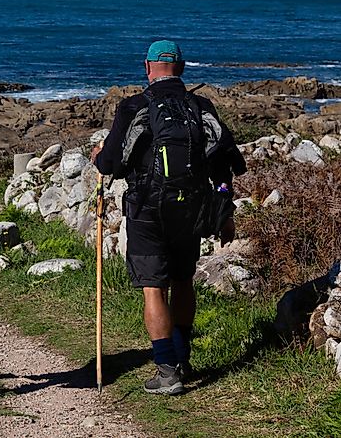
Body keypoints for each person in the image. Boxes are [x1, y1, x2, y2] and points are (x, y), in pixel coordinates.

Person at [91, 40, 246, 395]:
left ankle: (166, 370)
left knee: (153, 287)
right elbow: (225, 165)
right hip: (190, 208)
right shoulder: (200, 105)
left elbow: (111, 164)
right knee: (183, 281)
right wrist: (224, 212)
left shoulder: (133, 106)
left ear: (146, 67)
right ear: (183, 66)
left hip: (147, 208)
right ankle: (183, 356)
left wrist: (97, 155)